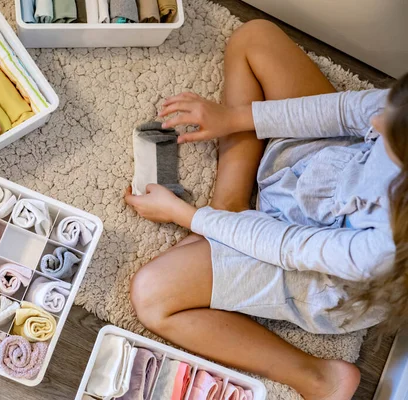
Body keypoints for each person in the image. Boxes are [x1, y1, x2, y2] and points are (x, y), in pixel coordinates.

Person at [124, 19, 407, 400]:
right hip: (323, 170)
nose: (375, 121)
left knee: (152, 295)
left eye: (386, 131)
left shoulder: (380, 249)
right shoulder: (391, 116)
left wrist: (185, 215)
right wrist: (236, 118)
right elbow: (346, 112)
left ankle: (316, 377)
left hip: (312, 269)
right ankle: (230, 203)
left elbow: (289, 245)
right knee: (254, 38)